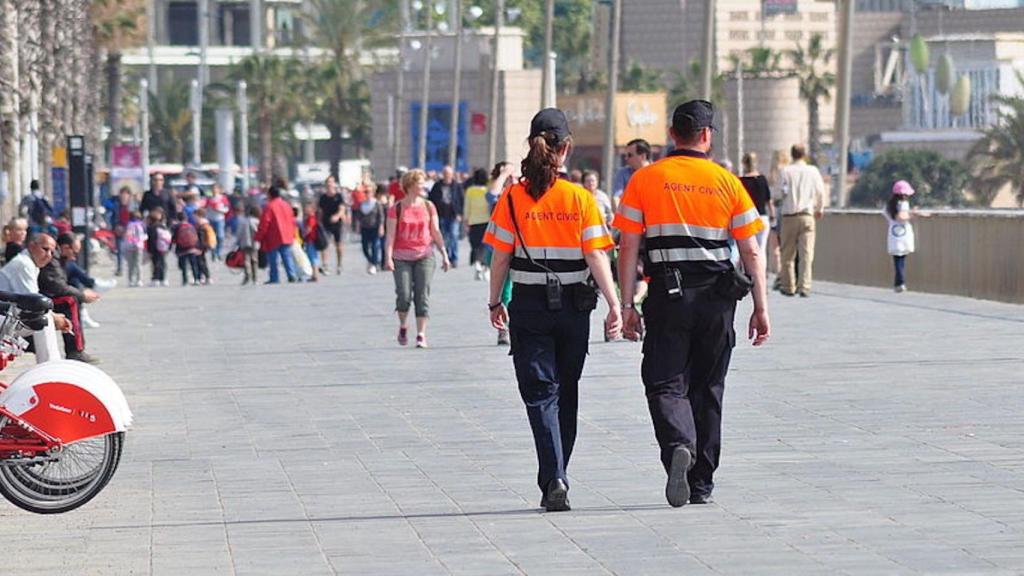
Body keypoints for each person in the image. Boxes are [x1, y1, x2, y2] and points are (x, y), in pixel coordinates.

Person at [614, 99, 770, 508]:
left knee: (664, 381)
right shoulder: (726, 182)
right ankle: (701, 482)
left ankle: (679, 444)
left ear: (672, 134)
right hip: (718, 298)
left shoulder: (646, 179)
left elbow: (628, 246)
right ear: (706, 135)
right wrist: (761, 307)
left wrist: (627, 305)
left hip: (668, 295)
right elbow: (751, 251)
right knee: (708, 387)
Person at [484, 108, 622, 512]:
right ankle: (557, 474)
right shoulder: (580, 198)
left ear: (531, 145)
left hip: (528, 306)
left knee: (540, 393)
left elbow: (500, 258)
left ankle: (554, 476)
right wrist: (615, 304)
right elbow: (596, 256)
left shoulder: (512, 198)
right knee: (567, 391)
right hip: (574, 308)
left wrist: (495, 301)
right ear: (567, 148)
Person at [383, 169, 450, 349]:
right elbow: (390, 236)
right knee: (404, 295)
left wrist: (444, 254)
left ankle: (421, 334)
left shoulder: (429, 206)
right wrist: (388, 258)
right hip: (401, 257)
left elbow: (435, 231)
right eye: (420, 183)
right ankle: (403, 325)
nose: (424, 186)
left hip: (424, 256)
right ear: (411, 185)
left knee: (422, 295)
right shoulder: (396, 209)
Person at [0, 234, 73, 344]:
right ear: (31, 246)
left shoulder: (30, 262)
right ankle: (49, 356)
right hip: (4, 313)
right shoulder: (23, 264)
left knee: (45, 315)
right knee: (42, 319)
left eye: (52, 252)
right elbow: (34, 303)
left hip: (9, 313)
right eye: (45, 249)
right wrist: (55, 318)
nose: (48, 255)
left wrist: (56, 317)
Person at [41, 233, 101, 364]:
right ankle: (75, 351)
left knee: (73, 293)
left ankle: (76, 349)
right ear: (65, 248)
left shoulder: (59, 259)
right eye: (74, 252)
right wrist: (82, 295)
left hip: (45, 294)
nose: (75, 256)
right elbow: (57, 286)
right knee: (70, 301)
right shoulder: (52, 259)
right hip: (42, 296)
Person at [774, 144, 825, 297]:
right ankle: (805, 286)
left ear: (792, 155)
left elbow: (777, 194)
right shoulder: (813, 171)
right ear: (805, 155)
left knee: (787, 255)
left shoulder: (785, 171)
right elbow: (820, 192)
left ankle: (788, 286)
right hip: (807, 216)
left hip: (789, 216)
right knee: (807, 254)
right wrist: (819, 209)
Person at [486, 162, 515, 346]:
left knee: (516, 290)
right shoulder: (499, 194)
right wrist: (504, 175)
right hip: (499, 247)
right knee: (505, 290)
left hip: (520, 248)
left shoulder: (520, 192)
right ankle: (503, 329)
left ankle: (514, 326)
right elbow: (491, 195)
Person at [255, 181, 298, 284]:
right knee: (287, 256)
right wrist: (293, 233)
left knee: (273, 258)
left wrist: (258, 237)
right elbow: (292, 220)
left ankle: (274, 277)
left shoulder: (269, 207)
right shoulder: (287, 205)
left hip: (273, 236)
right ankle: (292, 275)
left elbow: (264, 223)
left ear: (269, 195)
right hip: (287, 235)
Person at [885, 180, 921, 293]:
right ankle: (900, 282)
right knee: (901, 259)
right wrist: (913, 214)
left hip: (893, 233)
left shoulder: (889, 205)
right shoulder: (903, 204)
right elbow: (901, 217)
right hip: (903, 234)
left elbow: (889, 216)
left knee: (897, 259)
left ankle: (898, 283)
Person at [739, 152, 773, 262]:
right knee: (761, 249)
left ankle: (748, 272)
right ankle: (762, 271)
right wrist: (772, 215)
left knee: (747, 251)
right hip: (762, 217)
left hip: (747, 219)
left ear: (744, 163)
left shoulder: (740, 181)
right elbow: (769, 200)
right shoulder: (762, 179)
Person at [428, 165, 465, 267]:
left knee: (454, 235)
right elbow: (431, 199)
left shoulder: (457, 186)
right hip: (441, 215)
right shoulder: (437, 186)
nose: (447, 175)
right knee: (444, 237)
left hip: (454, 215)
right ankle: (447, 257)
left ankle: (454, 258)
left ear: (452, 174)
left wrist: (460, 213)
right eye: (445, 173)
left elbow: (462, 200)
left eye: (448, 174)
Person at [462, 168, 492, 280]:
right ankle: (485, 266)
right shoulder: (488, 190)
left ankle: (477, 263)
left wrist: (466, 221)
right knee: (485, 245)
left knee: (475, 245)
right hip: (486, 221)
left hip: (473, 221)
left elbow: (467, 207)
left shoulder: (470, 191)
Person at [317, 175, 348, 275]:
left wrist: (337, 216)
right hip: (326, 223)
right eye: (328, 182)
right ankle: (325, 265)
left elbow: (342, 209)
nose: (329, 184)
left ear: (334, 184)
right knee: (325, 244)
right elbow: (320, 211)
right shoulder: (323, 197)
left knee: (338, 245)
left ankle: (339, 265)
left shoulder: (339, 196)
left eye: (331, 182)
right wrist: (318, 222)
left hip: (337, 223)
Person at [612, 138, 653, 208]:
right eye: (625, 155)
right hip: (630, 214)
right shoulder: (622, 173)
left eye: (630, 155)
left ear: (643, 156)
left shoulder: (658, 173)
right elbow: (617, 198)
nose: (626, 158)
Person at [356, 185, 385, 275]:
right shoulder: (362, 204)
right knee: (364, 247)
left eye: (369, 192)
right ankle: (370, 260)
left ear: (372, 193)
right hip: (365, 228)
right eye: (365, 192)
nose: (367, 194)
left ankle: (374, 264)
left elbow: (381, 216)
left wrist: (381, 226)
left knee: (375, 246)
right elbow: (359, 216)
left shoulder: (377, 203)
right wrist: (358, 226)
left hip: (375, 227)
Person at [108, 186, 136, 277]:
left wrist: (130, 228)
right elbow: (112, 216)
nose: (124, 196)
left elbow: (135, 218)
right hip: (119, 229)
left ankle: (132, 268)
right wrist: (115, 227)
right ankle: (120, 268)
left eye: (126, 194)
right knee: (119, 250)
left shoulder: (132, 205)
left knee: (131, 251)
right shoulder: (116, 205)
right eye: (122, 194)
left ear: (129, 196)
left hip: (130, 230)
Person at [171, 212, 201, 286]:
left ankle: (185, 281)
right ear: (186, 218)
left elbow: (174, 238)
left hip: (182, 248)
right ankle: (196, 279)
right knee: (193, 264)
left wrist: (172, 246)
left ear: (177, 219)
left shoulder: (177, 227)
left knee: (184, 266)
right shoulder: (191, 226)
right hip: (192, 247)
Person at [236, 205, 261, 285]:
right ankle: (255, 278)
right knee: (254, 260)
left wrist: (238, 242)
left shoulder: (243, 221)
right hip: (254, 243)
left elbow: (239, 233)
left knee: (246, 261)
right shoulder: (256, 221)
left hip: (245, 243)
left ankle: (247, 277)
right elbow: (258, 231)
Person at [146, 207, 171, 286]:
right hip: (163, 247)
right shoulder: (163, 226)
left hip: (155, 248)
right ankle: (163, 279)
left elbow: (152, 240)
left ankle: (156, 279)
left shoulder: (152, 228)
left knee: (156, 263)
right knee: (162, 263)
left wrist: (150, 250)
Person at [205, 183, 230, 260]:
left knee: (220, 236)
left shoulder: (223, 198)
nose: (214, 190)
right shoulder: (209, 198)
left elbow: (227, 209)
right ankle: (213, 253)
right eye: (212, 189)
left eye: (215, 188)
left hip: (219, 219)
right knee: (212, 237)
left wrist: (219, 210)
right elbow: (206, 209)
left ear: (219, 190)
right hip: (211, 219)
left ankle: (219, 252)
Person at [123, 211, 147, 287]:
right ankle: (139, 280)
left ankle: (131, 280)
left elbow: (126, 236)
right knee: (138, 264)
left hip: (129, 246)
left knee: (130, 264)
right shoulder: (142, 225)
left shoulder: (128, 225)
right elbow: (145, 236)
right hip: (139, 246)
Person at [301, 200, 322, 282]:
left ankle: (315, 274)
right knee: (312, 257)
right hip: (310, 240)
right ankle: (314, 274)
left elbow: (309, 228)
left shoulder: (311, 218)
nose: (306, 209)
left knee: (312, 257)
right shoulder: (310, 217)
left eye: (307, 208)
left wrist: (303, 235)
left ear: (312, 209)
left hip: (311, 240)